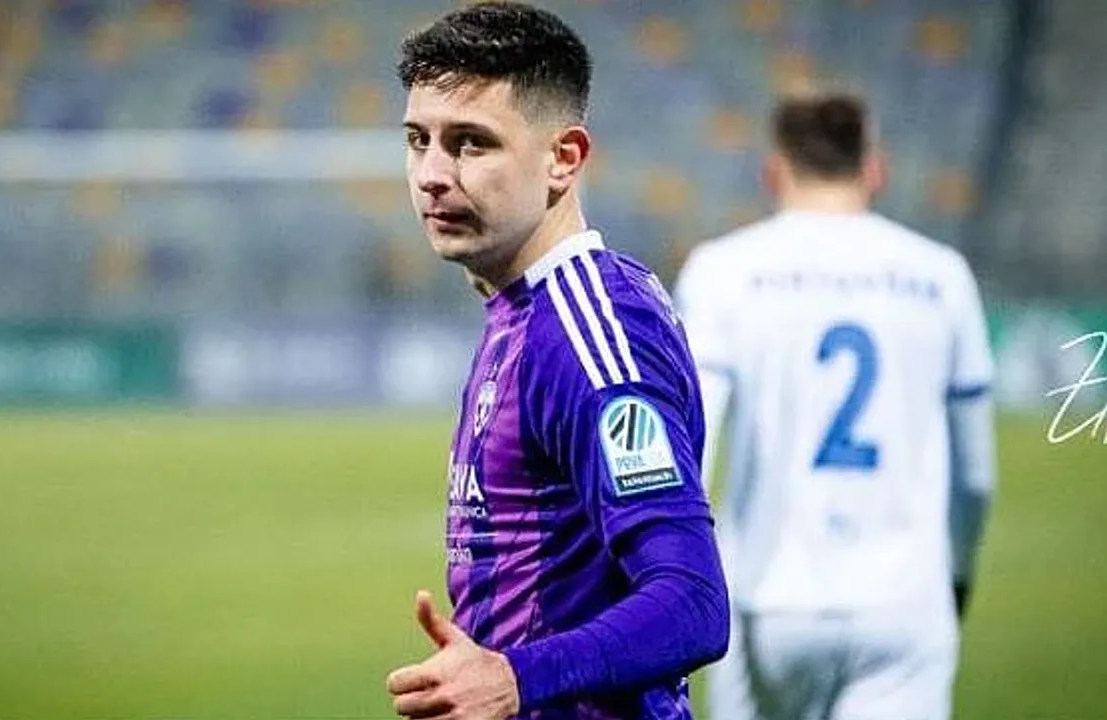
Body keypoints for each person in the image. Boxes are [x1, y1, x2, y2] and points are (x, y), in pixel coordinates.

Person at [383, 3, 730, 719]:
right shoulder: (523, 309)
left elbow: (692, 601)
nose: (432, 174)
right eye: (419, 141)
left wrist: (514, 678)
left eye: (471, 144)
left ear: (563, 158)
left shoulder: (588, 333)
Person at [673, 91, 997, 720]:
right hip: (905, 598)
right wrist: (954, 575)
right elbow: (975, 476)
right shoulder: (942, 275)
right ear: (876, 169)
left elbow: (693, 443)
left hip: (769, 595)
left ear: (773, 172)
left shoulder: (723, 270)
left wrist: (679, 583)